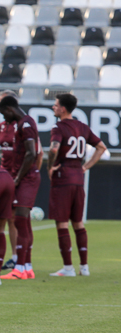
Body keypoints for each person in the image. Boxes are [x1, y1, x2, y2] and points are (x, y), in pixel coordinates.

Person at [47, 93, 107, 277]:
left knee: (62, 224)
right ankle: (84, 267)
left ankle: (67, 268)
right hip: (78, 179)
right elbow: (101, 147)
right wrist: (86, 166)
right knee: (78, 223)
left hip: (63, 178)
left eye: (56, 105)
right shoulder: (82, 127)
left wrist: (50, 167)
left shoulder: (58, 128)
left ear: (63, 108)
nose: (53, 108)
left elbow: (54, 148)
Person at [0, 96, 41, 281]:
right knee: (24, 223)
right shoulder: (25, 123)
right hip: (26, 177)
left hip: (27, 178)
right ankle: (27, 267)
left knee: (20, 221)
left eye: (4, 115)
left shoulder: (25, 124)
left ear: (9, 109)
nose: (5, 120)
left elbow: (32, 153)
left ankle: (20, 268)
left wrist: (17, 178)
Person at [0, 89, 19, 270]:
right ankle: (13, 257)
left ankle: (19, 256)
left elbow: (37, 152)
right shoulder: (2, 126)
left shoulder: (23, 125)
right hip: (5, 176)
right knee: (4, 217)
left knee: (16, 218)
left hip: (19, 176)